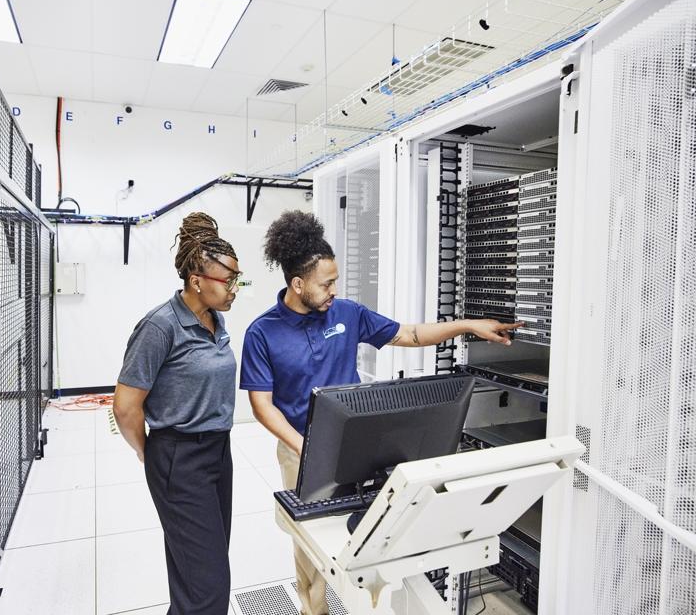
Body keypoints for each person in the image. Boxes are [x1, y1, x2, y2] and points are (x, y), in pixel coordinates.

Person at [239, 211, 521, 615]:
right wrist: (305, 448)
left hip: (357, 445)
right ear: (298, 284)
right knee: (312, 544)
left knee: (373, 534)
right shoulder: (262, 332)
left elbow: (410, 334)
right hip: (299, 450)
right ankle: (312, 610)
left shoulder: (347, 313)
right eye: (327, 283)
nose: (335, 289)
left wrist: (469, 325)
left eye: (335, 280)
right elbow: (262, 406)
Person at [114, 212, 243, 615]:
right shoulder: (160, 326)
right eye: (228, 280)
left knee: (199, 573)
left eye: (238, 279)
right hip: (179, 458)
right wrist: (148, 452)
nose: (235, 289)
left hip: (218, 454)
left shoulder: (214, 320)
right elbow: (125, 406)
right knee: (208, 588)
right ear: (197, 281)